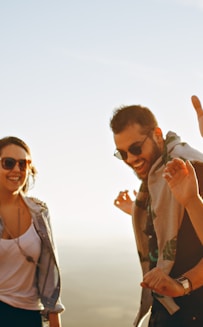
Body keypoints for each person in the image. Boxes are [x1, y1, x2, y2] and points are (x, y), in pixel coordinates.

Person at [110, 103, 203, 327]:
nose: (130, 159)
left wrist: (182, 285)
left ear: (157, 135)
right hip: (164, 311)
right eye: (122, 154)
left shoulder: (192, 169)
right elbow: (174, 224)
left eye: (135, 148)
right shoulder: (155, 177)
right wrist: (136, 211)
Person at [0, 136, 64, 327]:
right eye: (8, 163)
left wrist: (55, 322)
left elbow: (49, 273)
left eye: (23, 164)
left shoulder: (39, 212)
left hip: (29, 316)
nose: (16, 170)